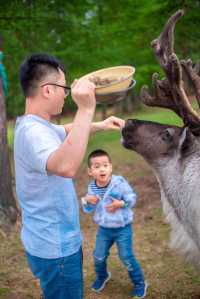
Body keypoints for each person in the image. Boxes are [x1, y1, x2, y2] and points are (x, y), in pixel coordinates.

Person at [14, 53, 125, 299]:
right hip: (56, 249)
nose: (66, 94)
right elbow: (66, 166)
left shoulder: (33, 125)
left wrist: (99, 125)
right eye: (63, 88)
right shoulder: (34, 133)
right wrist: (86, 109)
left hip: (45, 242)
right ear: (48, 90)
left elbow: (64, 131)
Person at [81, 149, 148, 298]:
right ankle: (102, 276)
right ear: (90, 171)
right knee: (98, 256)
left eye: (105, 165)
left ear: (111, 167)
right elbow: (88, 208)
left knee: (126, 256)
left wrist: (122, 203)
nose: (102, 169)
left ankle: (139, 283)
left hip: (122, 228)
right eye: (97, 166)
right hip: (104, 229)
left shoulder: (119, 183)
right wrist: (87, 201)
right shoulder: (92, 187)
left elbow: (132, 198)